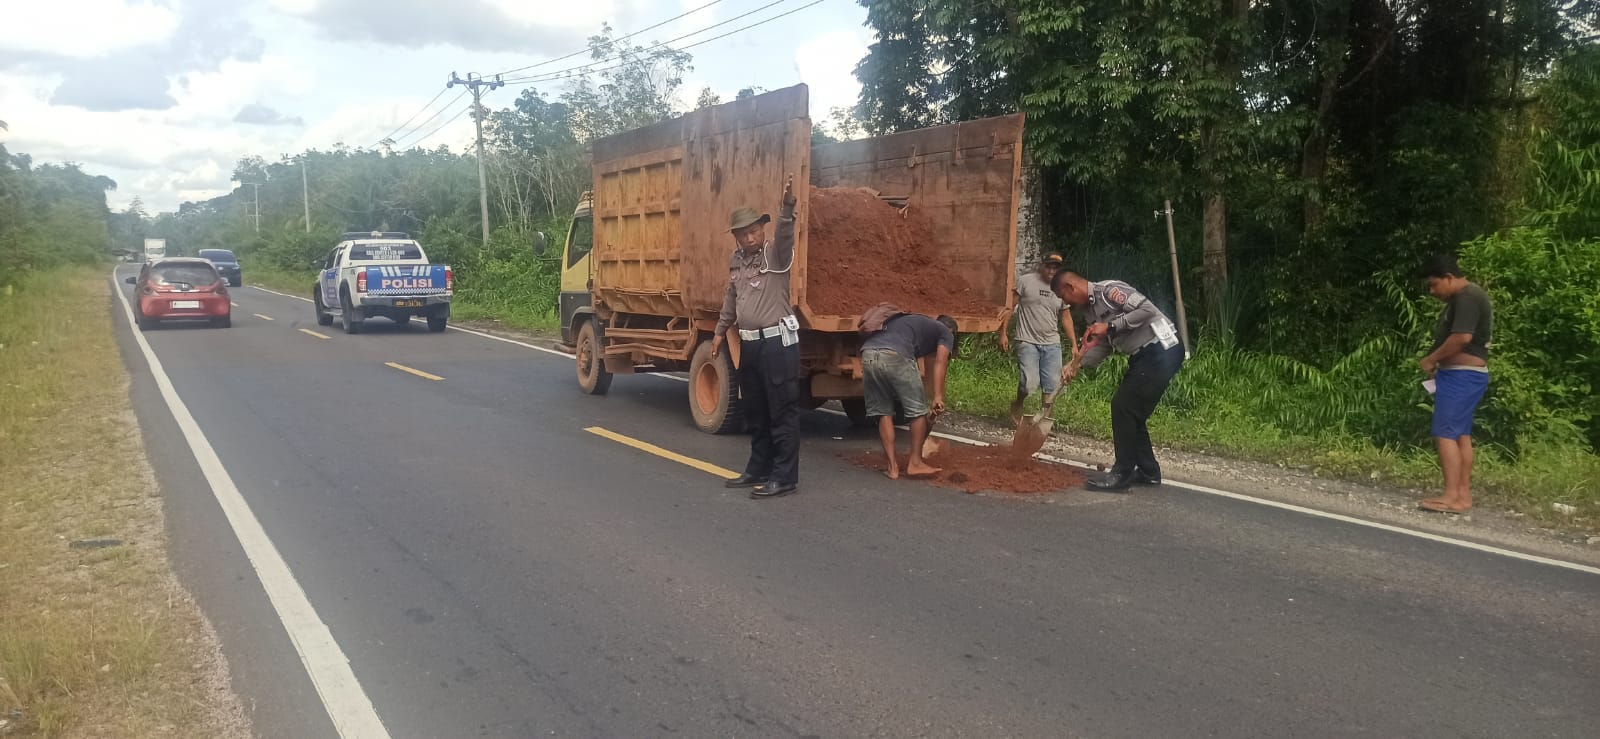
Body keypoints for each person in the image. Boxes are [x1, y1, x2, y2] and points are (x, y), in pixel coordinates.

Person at [712, 174, 801, 499]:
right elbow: (731, 298)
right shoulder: (736, 261)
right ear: (735, 237)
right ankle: (758, 468)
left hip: (778, 343)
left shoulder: (775, 254)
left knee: (781, 409)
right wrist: (721, 332)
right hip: (749, 343)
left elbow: (786, 233)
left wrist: (786, 206)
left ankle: (784, 476)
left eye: (754, 231)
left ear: (762, 230)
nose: (750, 238)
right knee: (756, 409)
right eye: (743, 233)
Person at [1055, 271, 1184, 491]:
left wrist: (1111, 326)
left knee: (1123, 406)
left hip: (1161, 348)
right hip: (1143, 356)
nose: (1066, 303)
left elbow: (1146, 310)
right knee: (1133, 413)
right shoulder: (1090, 312)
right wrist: (1076, 364)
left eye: (1064, 297)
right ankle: (1148, 471)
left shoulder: (1108, 291)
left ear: (1070, 287)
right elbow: (1103, 345)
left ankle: (1122, 473)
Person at [1418, 254, 1492, 514]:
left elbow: (1461, 338)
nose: (1432, 291)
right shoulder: (1462, 298)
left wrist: (1431, 359)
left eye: (1434, 284)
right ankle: (1462, 495)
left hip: (1463, 375)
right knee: (1460, 434)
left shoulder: (1467, 297)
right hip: (1460, 375)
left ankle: (1452, 497)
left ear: (1449, 278)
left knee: (1445, 432)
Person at [860, 313, 958, 479]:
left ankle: (892, 468)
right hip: (895, 355)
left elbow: (924, 362)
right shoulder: (946, 332)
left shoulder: (916, 324)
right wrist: (938, 397)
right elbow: (940, 362)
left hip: (868, 353)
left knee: (883, 412)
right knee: (917, 412)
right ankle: (915, 463)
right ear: (951, 331)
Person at [998, 252, 1077, 424]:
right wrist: (1003, 332)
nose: (1051, 270)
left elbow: (1066, 317)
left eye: (1055, 268)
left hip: (1051, 343)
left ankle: (1043, 423)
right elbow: (1010, 307)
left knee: (1051, 385)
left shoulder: (1062, 288)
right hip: (1027, 340)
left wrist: (1074, 345)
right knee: (1029, 382)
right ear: (1042, 266)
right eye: (1048, 266)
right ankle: (1018, 403)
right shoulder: (1026, 281)